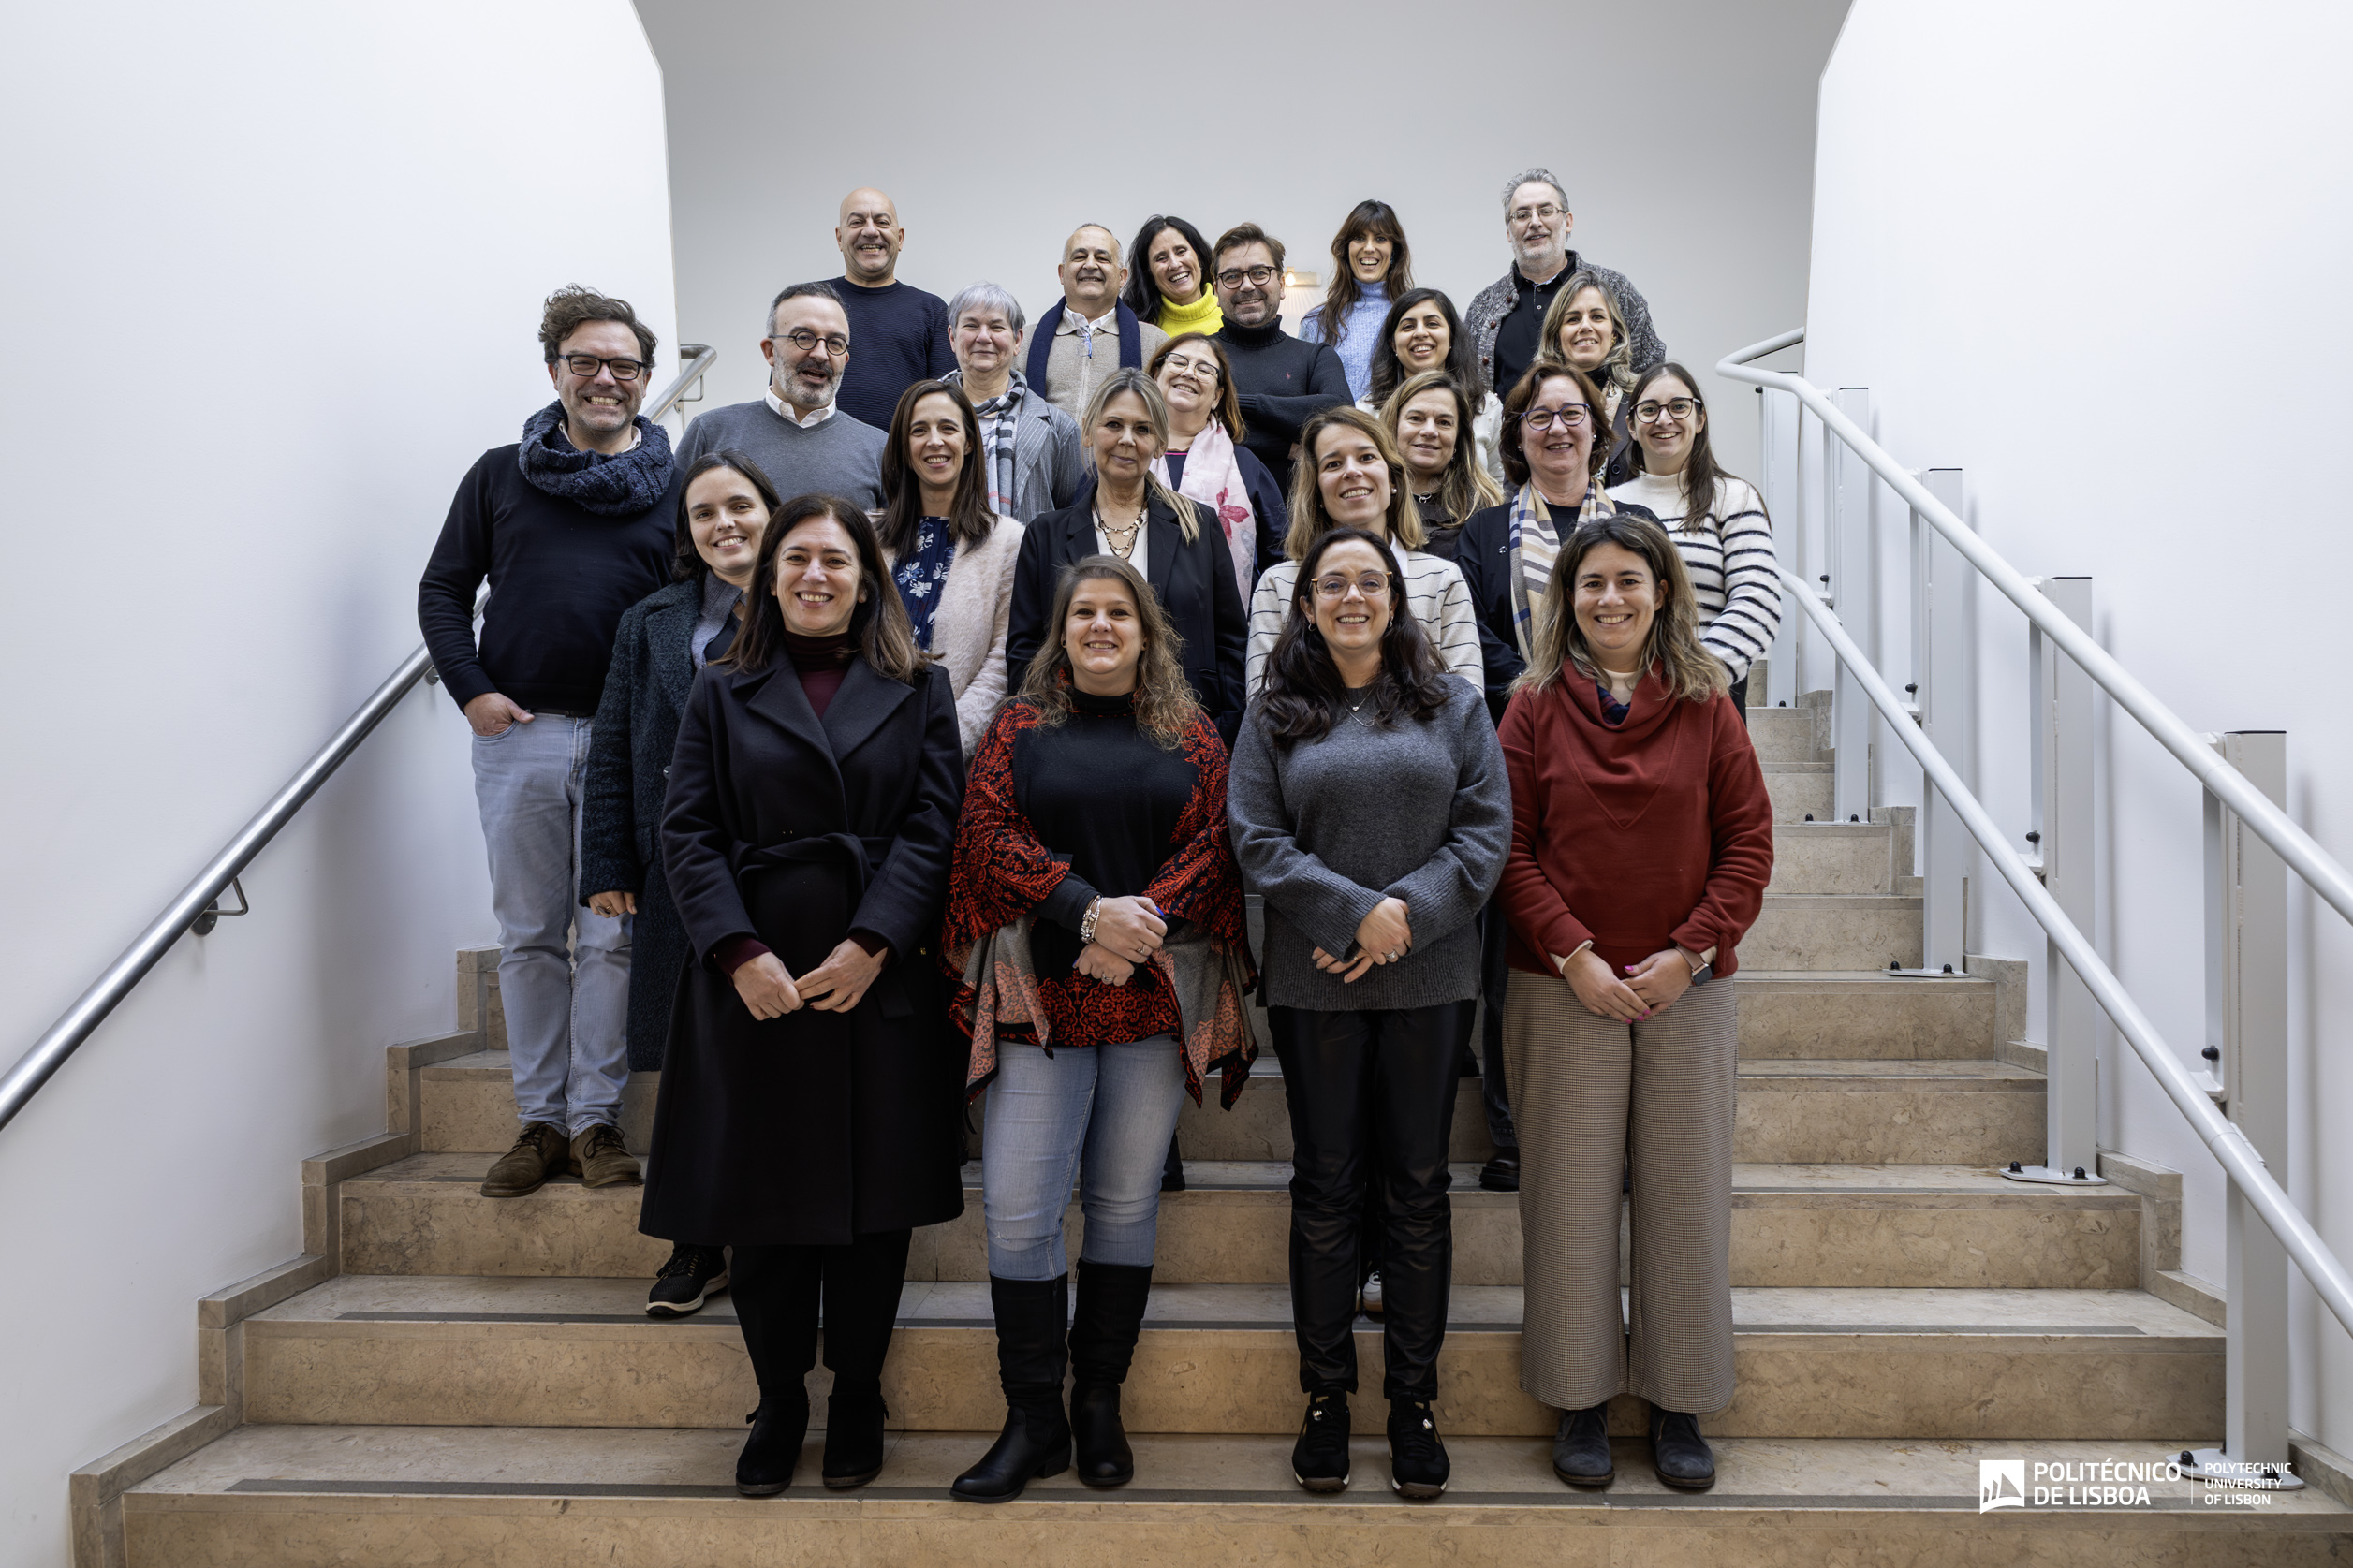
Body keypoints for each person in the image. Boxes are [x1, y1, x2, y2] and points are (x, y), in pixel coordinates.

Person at [639, 494, 967, 1497]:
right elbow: (687, 830)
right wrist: (737, 951)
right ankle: (779, 1399)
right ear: (769, 575)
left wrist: (874, 942)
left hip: (873, 977)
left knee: (873, 1214)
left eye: (835, 559)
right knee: (763, 1207)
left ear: (866, 580)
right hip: (755, 982)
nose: (815, 575)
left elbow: (933, 827)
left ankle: (858, 1394)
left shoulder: (920, 686)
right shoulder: (719, 685)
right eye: (797, 559)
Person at [941, 555, 1254, 1502]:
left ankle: (1098, 1400)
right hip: (1042, 999)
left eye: (1120, 611)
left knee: (1121, 1202)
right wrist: (1086, 913)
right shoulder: (1018, 725)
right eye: (1084, 611)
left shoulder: (1190, 731)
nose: (1101, 625)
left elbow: (1216, 843)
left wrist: (1131, 932)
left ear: (1147, 630)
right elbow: (985, 836)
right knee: (1018, 1210)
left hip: (1148, 998)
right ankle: (1032, 1415)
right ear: (1061, 630)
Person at [1228, 526, 1509, 1499]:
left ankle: (1413, 1401)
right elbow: (1254, 838)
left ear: (1395, 597)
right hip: (1314, 985)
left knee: (1418, 1186)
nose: (1352, 596)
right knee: (1325, 1185)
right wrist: (1352, 913)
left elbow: (1485, 833)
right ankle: (1325, 1397)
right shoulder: (1274, 713)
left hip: (1430, 978)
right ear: (1306, 604)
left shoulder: (1452, 703)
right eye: (1332, 583)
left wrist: (1400, 919)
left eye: (1369, 581)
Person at [1495, 513, 1772, 1494]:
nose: (1609, 598)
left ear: (1661, 592)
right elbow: (1505, 847)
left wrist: (1690, 951)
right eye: (1590, 583)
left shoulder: (1707, 705)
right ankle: (1576, 1395)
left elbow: (1748, 843)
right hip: (1559, 985)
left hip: (1684, 989)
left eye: (1627, 580)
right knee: (1566, 1195)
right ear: (1564, 599)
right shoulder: (1530, 707)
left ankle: (1676, 1396)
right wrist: (1570, 951)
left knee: (1683, 1192)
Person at [419, 286, 678, 1202]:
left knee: (610, 938)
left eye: (623, 364)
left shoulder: (674, 486)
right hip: (520, 738)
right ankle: (538, 1121)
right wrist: (473, 691)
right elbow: (443, 590)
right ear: (555, 370)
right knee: (529, 937)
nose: (606, 377)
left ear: (645, 378)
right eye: (586, 361)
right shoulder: (499, 475)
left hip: (624, 750)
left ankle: (594, 1121)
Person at [581, 449, 778, 1316]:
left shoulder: (813, 600)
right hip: (678, 865)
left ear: (771, 512)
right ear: (687, 532)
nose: (724, 524)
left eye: (740, 505)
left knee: (770, 1056)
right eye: (704, 513)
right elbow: (615, 743)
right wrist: (607, 861)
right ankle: (696, 1240)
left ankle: (774, 1231)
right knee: (688, 1062)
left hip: (781, 863)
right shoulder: (650, 620)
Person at [1451, 364, 1654, 1192]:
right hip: (1524, 742)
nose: (1557, 428)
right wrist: (1550, 687)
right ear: (1516, 434)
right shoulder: (1481, 532)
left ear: (1599, 430)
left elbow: (1657, 621)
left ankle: (1624, 1136)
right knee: (1515, 947)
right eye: (1538, 416)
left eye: (1573, 413)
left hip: (1628, 744)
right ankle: (1514, 1133)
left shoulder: (1637, 524)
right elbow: (1473, 636)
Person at [1007, 367, 1249, 741]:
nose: (1126, 439)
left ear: (1160, 442)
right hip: (1071, 735)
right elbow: (1024, 651)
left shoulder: (1199, 526)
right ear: (1088, 432)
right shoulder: (1045, 535)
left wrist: (1223, 736)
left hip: (1184, 733)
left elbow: (1231, 643)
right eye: (1113, 424)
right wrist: (1041, 735)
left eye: (1142, 429)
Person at [1246, 406, 1478, 701]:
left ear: (1392, 479)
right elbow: (1264, 707)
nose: (1352, 471)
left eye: (1367, 457)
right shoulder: (1277, 584)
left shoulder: (1443, 580)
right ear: (1317, 491)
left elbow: (1467, 707)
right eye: (1333, 464)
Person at [1608, 363, 1780, 716]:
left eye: (1679, 406)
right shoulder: (1606, 503)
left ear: (1700, 419)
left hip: (1707, 696)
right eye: (1649, 409)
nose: (1664, 419)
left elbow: (1757, 598)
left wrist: (1694, 679)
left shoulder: (1733, 496)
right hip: (1622, 702)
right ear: (1632, 426)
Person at [876, 378, 1026, 752]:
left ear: (969, 442)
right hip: (865, 747)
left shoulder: (1008, 541)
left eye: (948, 428)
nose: (934, 441)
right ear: (903, 446)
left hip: (952, 757)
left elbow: (1001, 663)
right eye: (919, 430)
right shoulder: (865, 536)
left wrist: (946, 742)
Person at [678, 283, 887, 510]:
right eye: (804, 337)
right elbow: (673, 525)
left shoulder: (880, 449)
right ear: (770, 351)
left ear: (845, 359)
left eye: (835, 343)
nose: (820, 354)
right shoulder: (710, 433)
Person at [1464, 169, 1663, 406]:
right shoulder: (1483, 307)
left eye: (1546, 211)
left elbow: (1652, 375)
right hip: (1510, 431)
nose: (1535, 222)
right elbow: (1468, 392)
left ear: (1568, 222)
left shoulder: (1616, 290)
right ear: (1509, 231)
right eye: (1522, 215)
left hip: (1608, 430)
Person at [1210, 223, 1351, 495]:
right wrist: (1285, 445)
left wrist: (1233, 403)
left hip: (1299, 518)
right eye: (1232, 276)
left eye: (1259, 273)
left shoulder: (1316, 357)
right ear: (1216, 290)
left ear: (1282, 284)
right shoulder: (1197, 354)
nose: (1247, 285)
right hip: (1209, 517)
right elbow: (1185, 427)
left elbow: (1340, 415)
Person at [1147, 331, 1287, 604]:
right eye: (1179, 362)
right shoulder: (1122, 455)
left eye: (1204, 369)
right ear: (1155, 376)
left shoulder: (1245, 465)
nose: (1189, 373)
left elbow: (1281, 559)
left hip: (1225, 625)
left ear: (1217, 396)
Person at [941, 282, 1084, 523]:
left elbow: (1071, 517)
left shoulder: (1059, 427)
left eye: (996, 327)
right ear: (952, 337)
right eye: (971, 325)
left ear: (1018, 340)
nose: (983, 337)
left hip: (1023, 548)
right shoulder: (918, 416)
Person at [827, 187, 954, 430]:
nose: (870, 231)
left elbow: (945, 405)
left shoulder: (933, 311)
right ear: (839, 238)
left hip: (901, 453)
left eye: (882, 222)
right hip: (819, 451)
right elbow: (783, 391)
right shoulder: (813, 303)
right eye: (857, 222)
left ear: (900, 238)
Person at [1027, 225, 1168, 422]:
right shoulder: (1023, 343)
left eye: (1102, 258)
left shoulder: (1154, 343)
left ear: (1122, 277)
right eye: (1079, 257)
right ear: (1061, 273)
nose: (1090, 265)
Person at [1364, 288, 1502, 481]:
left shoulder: (1486, 407)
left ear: (1451, 337)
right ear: (1393, 344)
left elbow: (1497, 482)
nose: (1420, 333)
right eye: (1408, 327)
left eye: (1432, 324)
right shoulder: (1367, 411)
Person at [1379, 370, 1503, 563]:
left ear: (1458, 438)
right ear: (1392, 426)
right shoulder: (1370, 497)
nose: (1430, 431)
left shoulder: (1485, 506)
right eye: (1416, 418)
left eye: (1444, 422)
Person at [1299, 200, 1414, 403]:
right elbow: (1303, 400)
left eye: (1380, 238)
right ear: (1346, 249)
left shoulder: (1416, 318)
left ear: (1394, 251)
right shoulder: (1316, 322)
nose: (1369, 248)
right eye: (1359, 238)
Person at [1537, 270, 1640, 487]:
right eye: (1573, 319)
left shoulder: (1641, 400)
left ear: (1614, 333)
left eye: (1597, 317)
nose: (1585, 326)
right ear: (1556, 336)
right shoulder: (1533, 400)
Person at [1123, 215, 1222, 337]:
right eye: (1161, 258)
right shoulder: (1140, 332)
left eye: (1181, 251)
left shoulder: (1231, 314)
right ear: (1148, 273)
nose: (1174, 264)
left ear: (1199, 256)